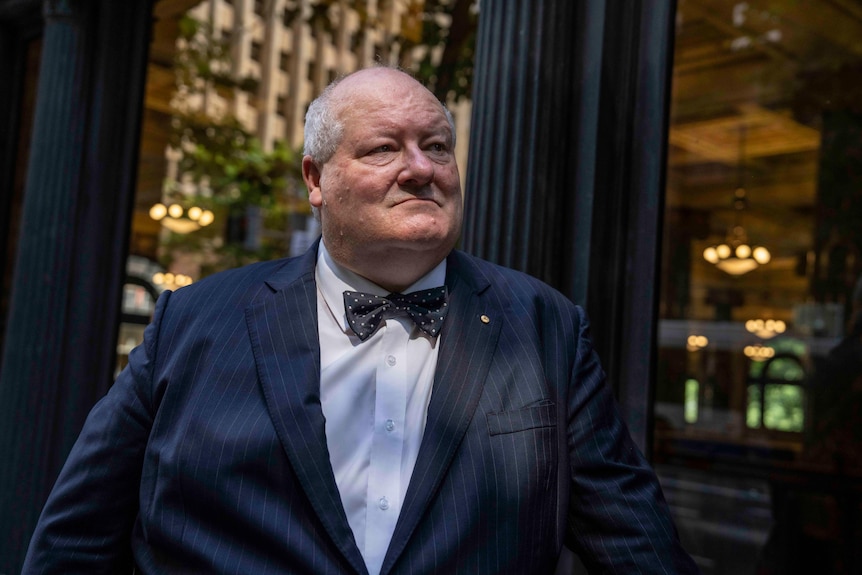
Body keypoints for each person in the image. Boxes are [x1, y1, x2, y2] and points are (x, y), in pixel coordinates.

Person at [23, 66, 698, 574]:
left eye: (437, 146)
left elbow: (640, 548)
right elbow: (75, 538)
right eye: (384, 149)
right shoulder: (192, 321)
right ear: (316, 178)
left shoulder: (546, 324)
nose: (420, 168)